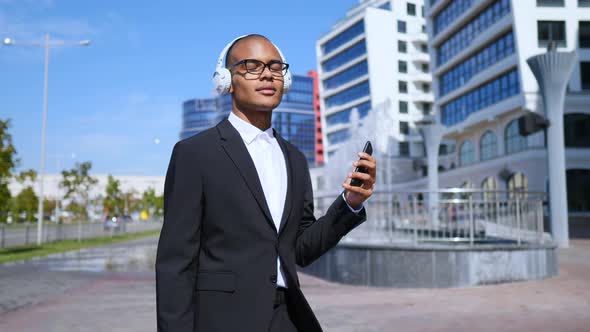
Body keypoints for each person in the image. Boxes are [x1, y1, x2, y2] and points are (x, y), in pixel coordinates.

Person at [155, 34, 377, 332]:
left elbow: (300, 249)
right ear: (227, 80)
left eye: (274, 66)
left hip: (288, 318)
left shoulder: (295, 160)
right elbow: (175, 264)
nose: (266, 74)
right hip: (222, 320)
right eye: (251, 66)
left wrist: (350, 203)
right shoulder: (195, 154)